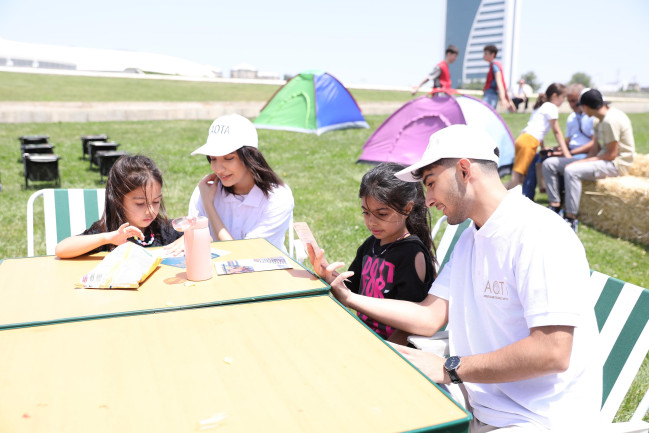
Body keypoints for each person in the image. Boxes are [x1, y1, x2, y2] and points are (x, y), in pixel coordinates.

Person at [321, 125, 601, 431]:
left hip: (537, 420)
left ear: (464, 171)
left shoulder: (539, 233)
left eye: (430, 183)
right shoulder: (471, 238)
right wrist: (349, 297)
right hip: (478, 402)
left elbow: (552, 351)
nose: (427, 201)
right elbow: (429, 317)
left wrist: (449, 368)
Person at [307, 162, 436, 345]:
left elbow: (411, 322)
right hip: (364, 336)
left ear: (407, 209)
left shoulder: (412, 254)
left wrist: (388, 351)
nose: (371, 222)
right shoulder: (371, 245)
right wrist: (328, 274)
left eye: (381, 214)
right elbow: (350, 290)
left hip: (392, 347)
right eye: (366, 213)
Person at [188, 113, 294, 252]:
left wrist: (209, 206)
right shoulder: (204, 190)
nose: (218, 169)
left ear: (250, 157)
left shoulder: (278, 198)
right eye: (213, 159)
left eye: (228, 158)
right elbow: (196, 244)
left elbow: (242, 256)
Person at [55, 155, 183, 258]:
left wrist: (187, 239)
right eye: (140, 203)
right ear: (118, 200)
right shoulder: (109, 232)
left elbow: (199, 227)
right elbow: (61, 249)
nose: (150, 210)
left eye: (156, 202)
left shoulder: (163, 230)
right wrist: (107, 238)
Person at [544, 88, 635, 233]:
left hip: (615, 164)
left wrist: (580, 163)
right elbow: (595, 148)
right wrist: (583, 161)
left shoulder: (611, 121)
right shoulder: (599, 120)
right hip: (602, 160)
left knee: (571, 170)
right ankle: (554, 206)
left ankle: (571, 218)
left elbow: (611, 154)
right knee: (550, 164)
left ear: (585, 107)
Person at [522, 83, 595, 200]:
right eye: (570, 101)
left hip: (584, 153)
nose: (573, 104)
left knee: (558, 164)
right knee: (537, 157)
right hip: (571, 150)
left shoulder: (591, 116)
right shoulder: (571, 117)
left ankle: (557, 200)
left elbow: (594, 144)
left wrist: (569, 153)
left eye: (575, 100)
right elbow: (567, 142)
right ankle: (527, 196)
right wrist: (554, 150)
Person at [505, 83, 571, 190]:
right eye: (563, 97)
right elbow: (557, 131)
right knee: (516, 179)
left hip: (524, 139)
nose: (564, 100)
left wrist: (543, 147)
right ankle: (495, 200)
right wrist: (567, 154)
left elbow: (540, 130)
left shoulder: (542, 107)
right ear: (554, 96)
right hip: (528, 141)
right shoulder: (551, 107)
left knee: (520, 178)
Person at [482, 45, 514, 112]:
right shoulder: (493, 65)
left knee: (486, 113)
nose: (483, 55)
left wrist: (502, 98)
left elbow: (499, 82)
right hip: (490, 94)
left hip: (491, 95)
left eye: (486, 53)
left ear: (492, 54)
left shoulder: (495, 66)